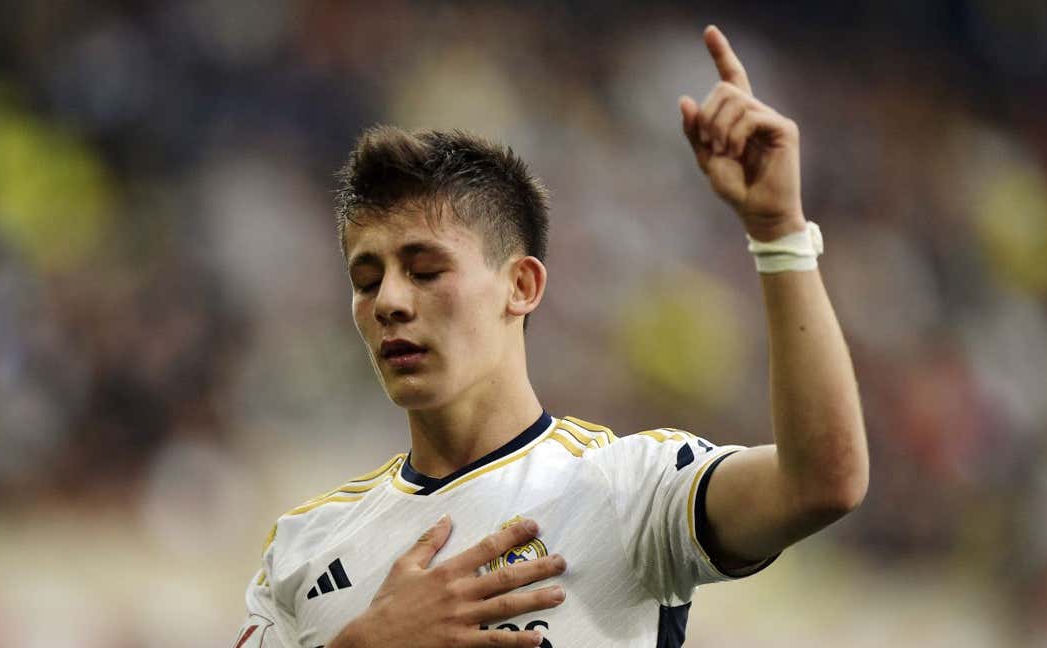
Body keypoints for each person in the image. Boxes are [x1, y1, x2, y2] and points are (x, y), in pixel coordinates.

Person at [232, 25, 868, 648]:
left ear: (522, 287)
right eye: (367, 281)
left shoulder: (628, 489)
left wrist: (780, 230)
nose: (390, 302)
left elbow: (823, 483)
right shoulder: (304, 547)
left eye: (425, 270)